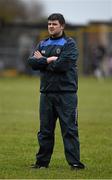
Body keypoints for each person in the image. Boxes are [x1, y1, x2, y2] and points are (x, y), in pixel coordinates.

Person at [27, 13, 85, 170]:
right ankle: (41, 163)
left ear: (62, 26)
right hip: (46, 94)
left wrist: (43, 62)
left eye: (54, 24)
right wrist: (49, 60)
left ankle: (75, 164)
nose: (51, 26)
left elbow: (63, 65)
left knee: (69, 130)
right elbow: (31, 62)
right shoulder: (43, 43)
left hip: (66, 94)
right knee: (45, 131)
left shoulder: (69, 44)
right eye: (49, 24)